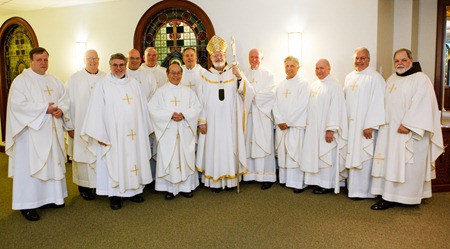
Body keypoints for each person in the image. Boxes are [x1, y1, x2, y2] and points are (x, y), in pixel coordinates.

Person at [370, 48, 444, 210]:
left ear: (411, 60)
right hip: (389, 132)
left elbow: (423, 104)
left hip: (408, 133)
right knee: (390, 162)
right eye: (397, 61)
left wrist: (409, 124)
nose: (400, 63)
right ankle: (388, 195)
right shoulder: (391, 79)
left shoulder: (420, 79)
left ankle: (407, 196)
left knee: (407, 164)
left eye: (403, 60)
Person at [81, 53, 153, 210]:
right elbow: (96, 110)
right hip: (113, 134)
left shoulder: (134, 84)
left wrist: (142, 130)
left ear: (125, 65)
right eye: (115, 65)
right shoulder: (103, 84)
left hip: (134, 133)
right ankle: (114, 195)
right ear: (110, 66)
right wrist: (100, 133)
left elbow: (142, 109)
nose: (118, 68)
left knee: (133, 159)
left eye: (121, 65)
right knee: (115, 161)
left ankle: (134, 190)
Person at [6, 47, 70, 221]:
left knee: (50, 164)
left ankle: (50, 198)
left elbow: (65, 100)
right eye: (39, 60)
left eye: (46, 59)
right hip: (30, 135)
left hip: (51, 131)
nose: (43, 63)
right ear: (31, 61)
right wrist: (45, 109)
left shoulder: (54, 80)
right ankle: (27, 205)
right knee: (30, 169)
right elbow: (18, 106)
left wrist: (61, 111)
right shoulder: (21, 81)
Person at [196, 35, 255, 192]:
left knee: (230, 147)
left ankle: (230, 181)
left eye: (221, 54)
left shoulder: (234, 72)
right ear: (210, 57)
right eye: (215, 55)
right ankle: (214, 182)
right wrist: (202, 120)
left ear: (225, 56)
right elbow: (199, 99)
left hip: (230, 120)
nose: (218, 57)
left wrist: (239, 78)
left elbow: (248, 93)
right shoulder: (204, 75)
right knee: (214, 148)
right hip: (212, 121)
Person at [148, 63, 202, 200]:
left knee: (185, 157)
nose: (176, 76)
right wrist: (170, 115)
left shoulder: (188, 92)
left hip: (184, 130)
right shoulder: (160, 92)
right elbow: (152, 109)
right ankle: (169, 188)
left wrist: (184, 114)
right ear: (167, 74)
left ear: (181, 75)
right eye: (173, 73)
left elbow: (196, 107)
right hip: (168, 132)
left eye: (178, 73)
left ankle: (186, 187)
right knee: (170, 158)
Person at [343, 47, 385, 200]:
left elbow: (378, 102)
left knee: (364, 156)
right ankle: (352, 188)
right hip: (351, 126)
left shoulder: (375, 78)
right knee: (352, 153)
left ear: (369, 60)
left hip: (365, 127)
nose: (359, 61)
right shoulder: (349, 77)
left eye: (362, 58)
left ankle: (365, 190)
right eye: (357, 58)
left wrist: (370, 125)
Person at [302, 59, 348, 194]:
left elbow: (336, 109)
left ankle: (327, 184)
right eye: (316, 68)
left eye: (322, 68)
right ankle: (316, 181)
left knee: (326, 155)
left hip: (326, 129)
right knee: (315, 154)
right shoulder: (315, 85)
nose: (319, 71)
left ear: (329, 69)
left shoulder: (335, 86)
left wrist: (330, 129)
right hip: (313, 128)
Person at [65, 49, 106, 201]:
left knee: (99, 155)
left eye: (95, 58)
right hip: (80, 126)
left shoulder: (105, 78)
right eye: (90, 58)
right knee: (82, 155)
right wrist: (69, 125)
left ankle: (99, 185)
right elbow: (66, 103)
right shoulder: (74, 79)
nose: (93, 61)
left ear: (99, 59)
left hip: (99, 127)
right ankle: (84, 187)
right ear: (84, 60)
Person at [272, 56, 310, 193]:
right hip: (282, 126)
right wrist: (279, 120)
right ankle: (284, 179)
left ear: (298, 67)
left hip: (295, 127)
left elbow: (302, 105)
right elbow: (274, 104)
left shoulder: (304, 84)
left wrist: (288, 122)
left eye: (292, 66)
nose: (289, 69)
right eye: (287, 66)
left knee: (295, 154)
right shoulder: (280, 84)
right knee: (283, 153)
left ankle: (297, 183)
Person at [243, 48, 277, 190]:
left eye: (257, 57)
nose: (254, 60)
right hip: (250, 115)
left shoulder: (268, 73)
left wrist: (253, 97)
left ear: (262, 59)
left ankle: (266, 176)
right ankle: (251, 175)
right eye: (252, 57)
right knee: (250, 143)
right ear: (248, 58)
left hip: (262, 115)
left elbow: (271, 93)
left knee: (263, 144)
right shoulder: (245, 74)